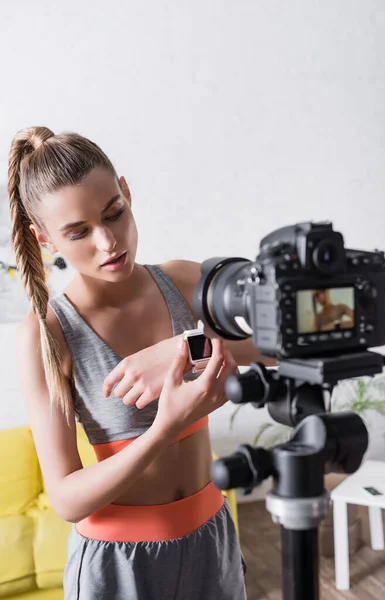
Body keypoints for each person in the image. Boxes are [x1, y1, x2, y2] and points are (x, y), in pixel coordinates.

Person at [9, 126, 275, 600]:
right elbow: (68, 498)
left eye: (115, 213)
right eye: (78, 232)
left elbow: (279, 346)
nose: (108, 242)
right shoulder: (47, 334)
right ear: (44, 239)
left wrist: (179, 348)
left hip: (211, 545)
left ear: (127, 193)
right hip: (118, 567)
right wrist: (163, 428)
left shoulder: (183, 282)